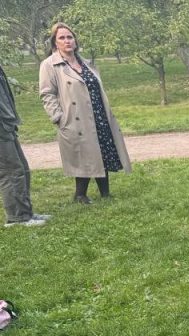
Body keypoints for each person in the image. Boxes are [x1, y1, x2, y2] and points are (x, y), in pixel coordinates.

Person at [39, 22, 131, 204]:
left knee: (101, 151)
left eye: (70, 37)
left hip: (98, 114)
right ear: (55, 43)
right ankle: (80, 194)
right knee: (84, 154)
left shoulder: (85, 62)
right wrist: (58, 117)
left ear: (75, 40)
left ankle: (105, 194)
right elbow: (46, 93)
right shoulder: (50, 65)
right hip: (74, 117)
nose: (67, 41)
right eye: (62, 38)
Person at [1, 62, 49, 227]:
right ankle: (17, 218)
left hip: (6, 125)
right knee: (11, 171)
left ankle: (25, 212)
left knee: (22, 168)